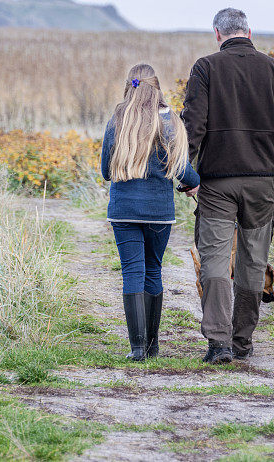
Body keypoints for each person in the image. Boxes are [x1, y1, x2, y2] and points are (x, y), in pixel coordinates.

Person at [181, 8, 274, 364]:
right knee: (253, 259)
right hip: (262, 183)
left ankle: (217, 344)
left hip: (217, 182)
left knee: (216, 259)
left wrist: (184, 171)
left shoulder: (205, 67)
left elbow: (193, 124)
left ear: (217, 35)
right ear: (249, 32)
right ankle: (242, 342)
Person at [101, 63, 200, 361]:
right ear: (157, 87)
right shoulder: (171, 121)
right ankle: (154, 346)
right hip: (159, 211)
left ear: (129, 86)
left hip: (124, 210)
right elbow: (183, 170)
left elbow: (106, 171)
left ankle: (137, 348)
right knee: (154, 269)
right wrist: (193, 184)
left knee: (133, 271)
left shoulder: (118, 118)